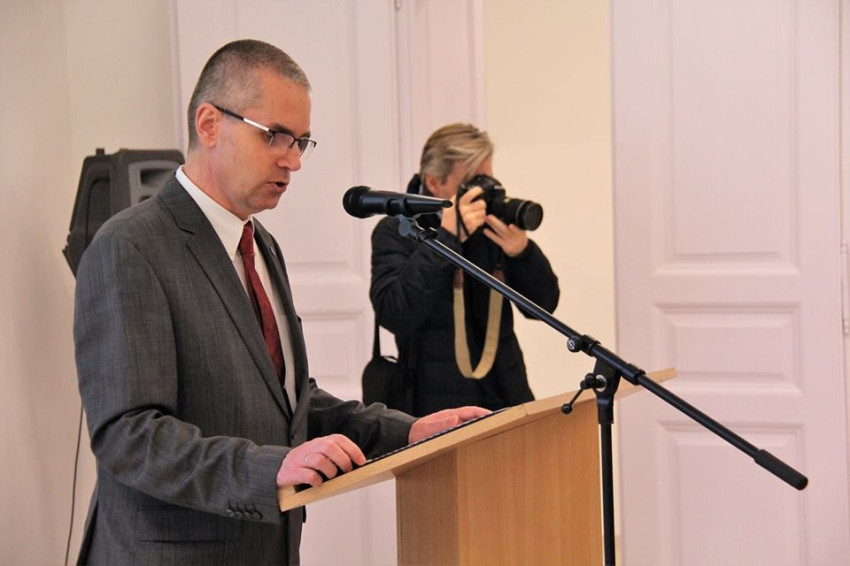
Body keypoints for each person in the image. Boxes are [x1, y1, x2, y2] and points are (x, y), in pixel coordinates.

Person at [73, 39, 487, 565]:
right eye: (275, 136)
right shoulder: (130, 246)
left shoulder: (261, 245)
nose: (293, 161)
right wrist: (270, 469)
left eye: (301, 142)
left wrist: (410, 431)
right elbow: (129, 436)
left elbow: (290, 404)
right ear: (209, 124)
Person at [370, 123, 560, 416]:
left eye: (487, 179)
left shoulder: (491, 226)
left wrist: (522, 253)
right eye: (472, 182)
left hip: (504, 395)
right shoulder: (399, 230)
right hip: (433, 407)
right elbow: (395, 314)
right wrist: (447, 238)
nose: (483, 192)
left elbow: (544, 306)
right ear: (435, 183)